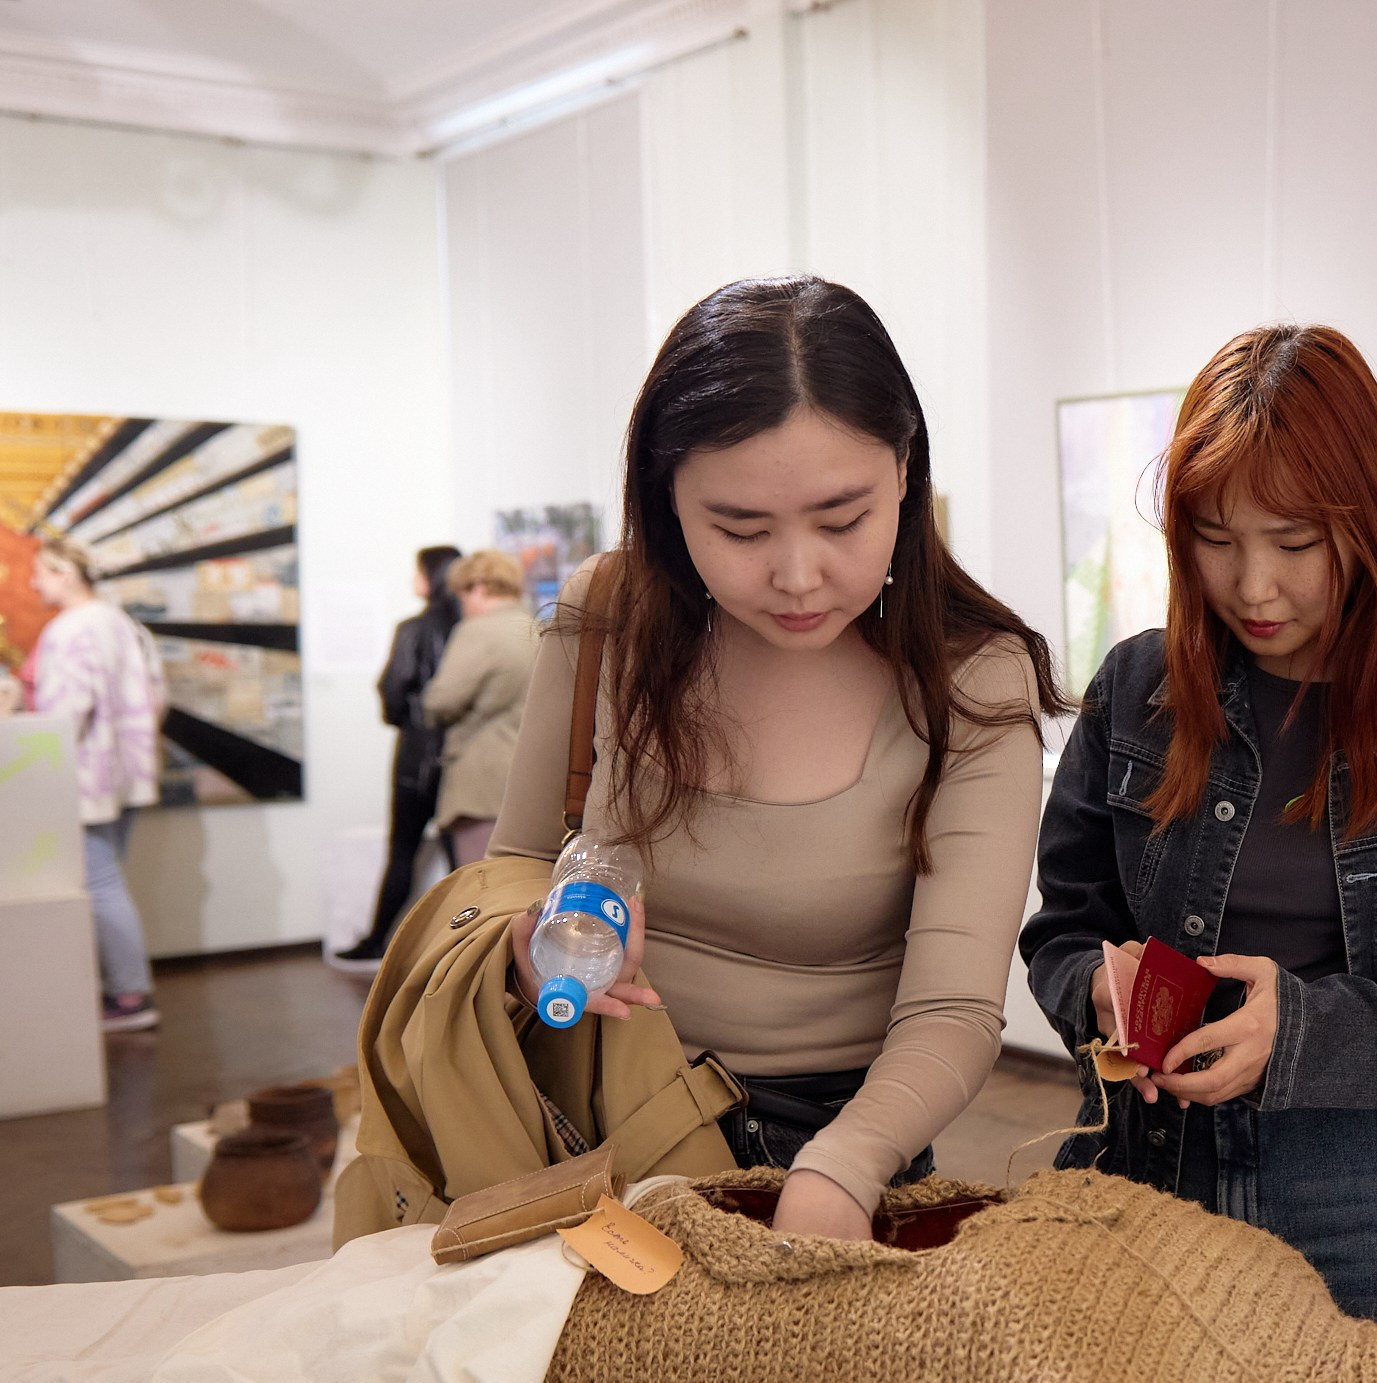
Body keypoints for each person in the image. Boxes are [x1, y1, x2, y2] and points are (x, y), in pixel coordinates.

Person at [485, 274, 1063, 1241]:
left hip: (844, 1141)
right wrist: (525, 941)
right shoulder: (610, 620)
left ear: (907, 474)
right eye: (739, 529)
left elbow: (956, 1007)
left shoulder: (972, 679)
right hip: (591, 1122)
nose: (798, 576)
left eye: (843, 521)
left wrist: (841, 1167)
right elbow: (509, 873)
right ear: (667, 501)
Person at [1021, 324, 1377, 1323]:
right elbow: (1063, 926)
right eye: (1217, 540)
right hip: (1153, 1168)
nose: (1253, 586)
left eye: (1294, 543)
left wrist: (1305, 1031)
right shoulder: (1138, 688)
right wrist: (1097, 992)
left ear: (1365, 522)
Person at [27, 538, 167, 1033]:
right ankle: (123, 989)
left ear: (67, 573)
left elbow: (66, 712)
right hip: (125, 776)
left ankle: (130, 995)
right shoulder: (123, 624)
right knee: (108, 882)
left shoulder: (70, 629)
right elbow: (156, 700)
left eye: (41, 572)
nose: (33, 582)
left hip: (85, 777)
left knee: (101, 885)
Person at [338, 545, 462, 965]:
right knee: (463, 857)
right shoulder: (472, 628)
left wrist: (404, 715)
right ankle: (466, 949)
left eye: (417, 572)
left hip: (416, 759)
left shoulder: (412, 629)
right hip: (461, 756)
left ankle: (377, 941)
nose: (413, 580)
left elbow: (392, 691)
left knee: (403, 852)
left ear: (431, 576)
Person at [423, 548, 536, 867]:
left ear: (479, 588)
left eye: (462, 595)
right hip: (528, 781)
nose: (463, 605)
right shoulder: (537, 629)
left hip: (481, 785)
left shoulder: (478, 631)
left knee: (479, 897)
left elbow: (439, 700)